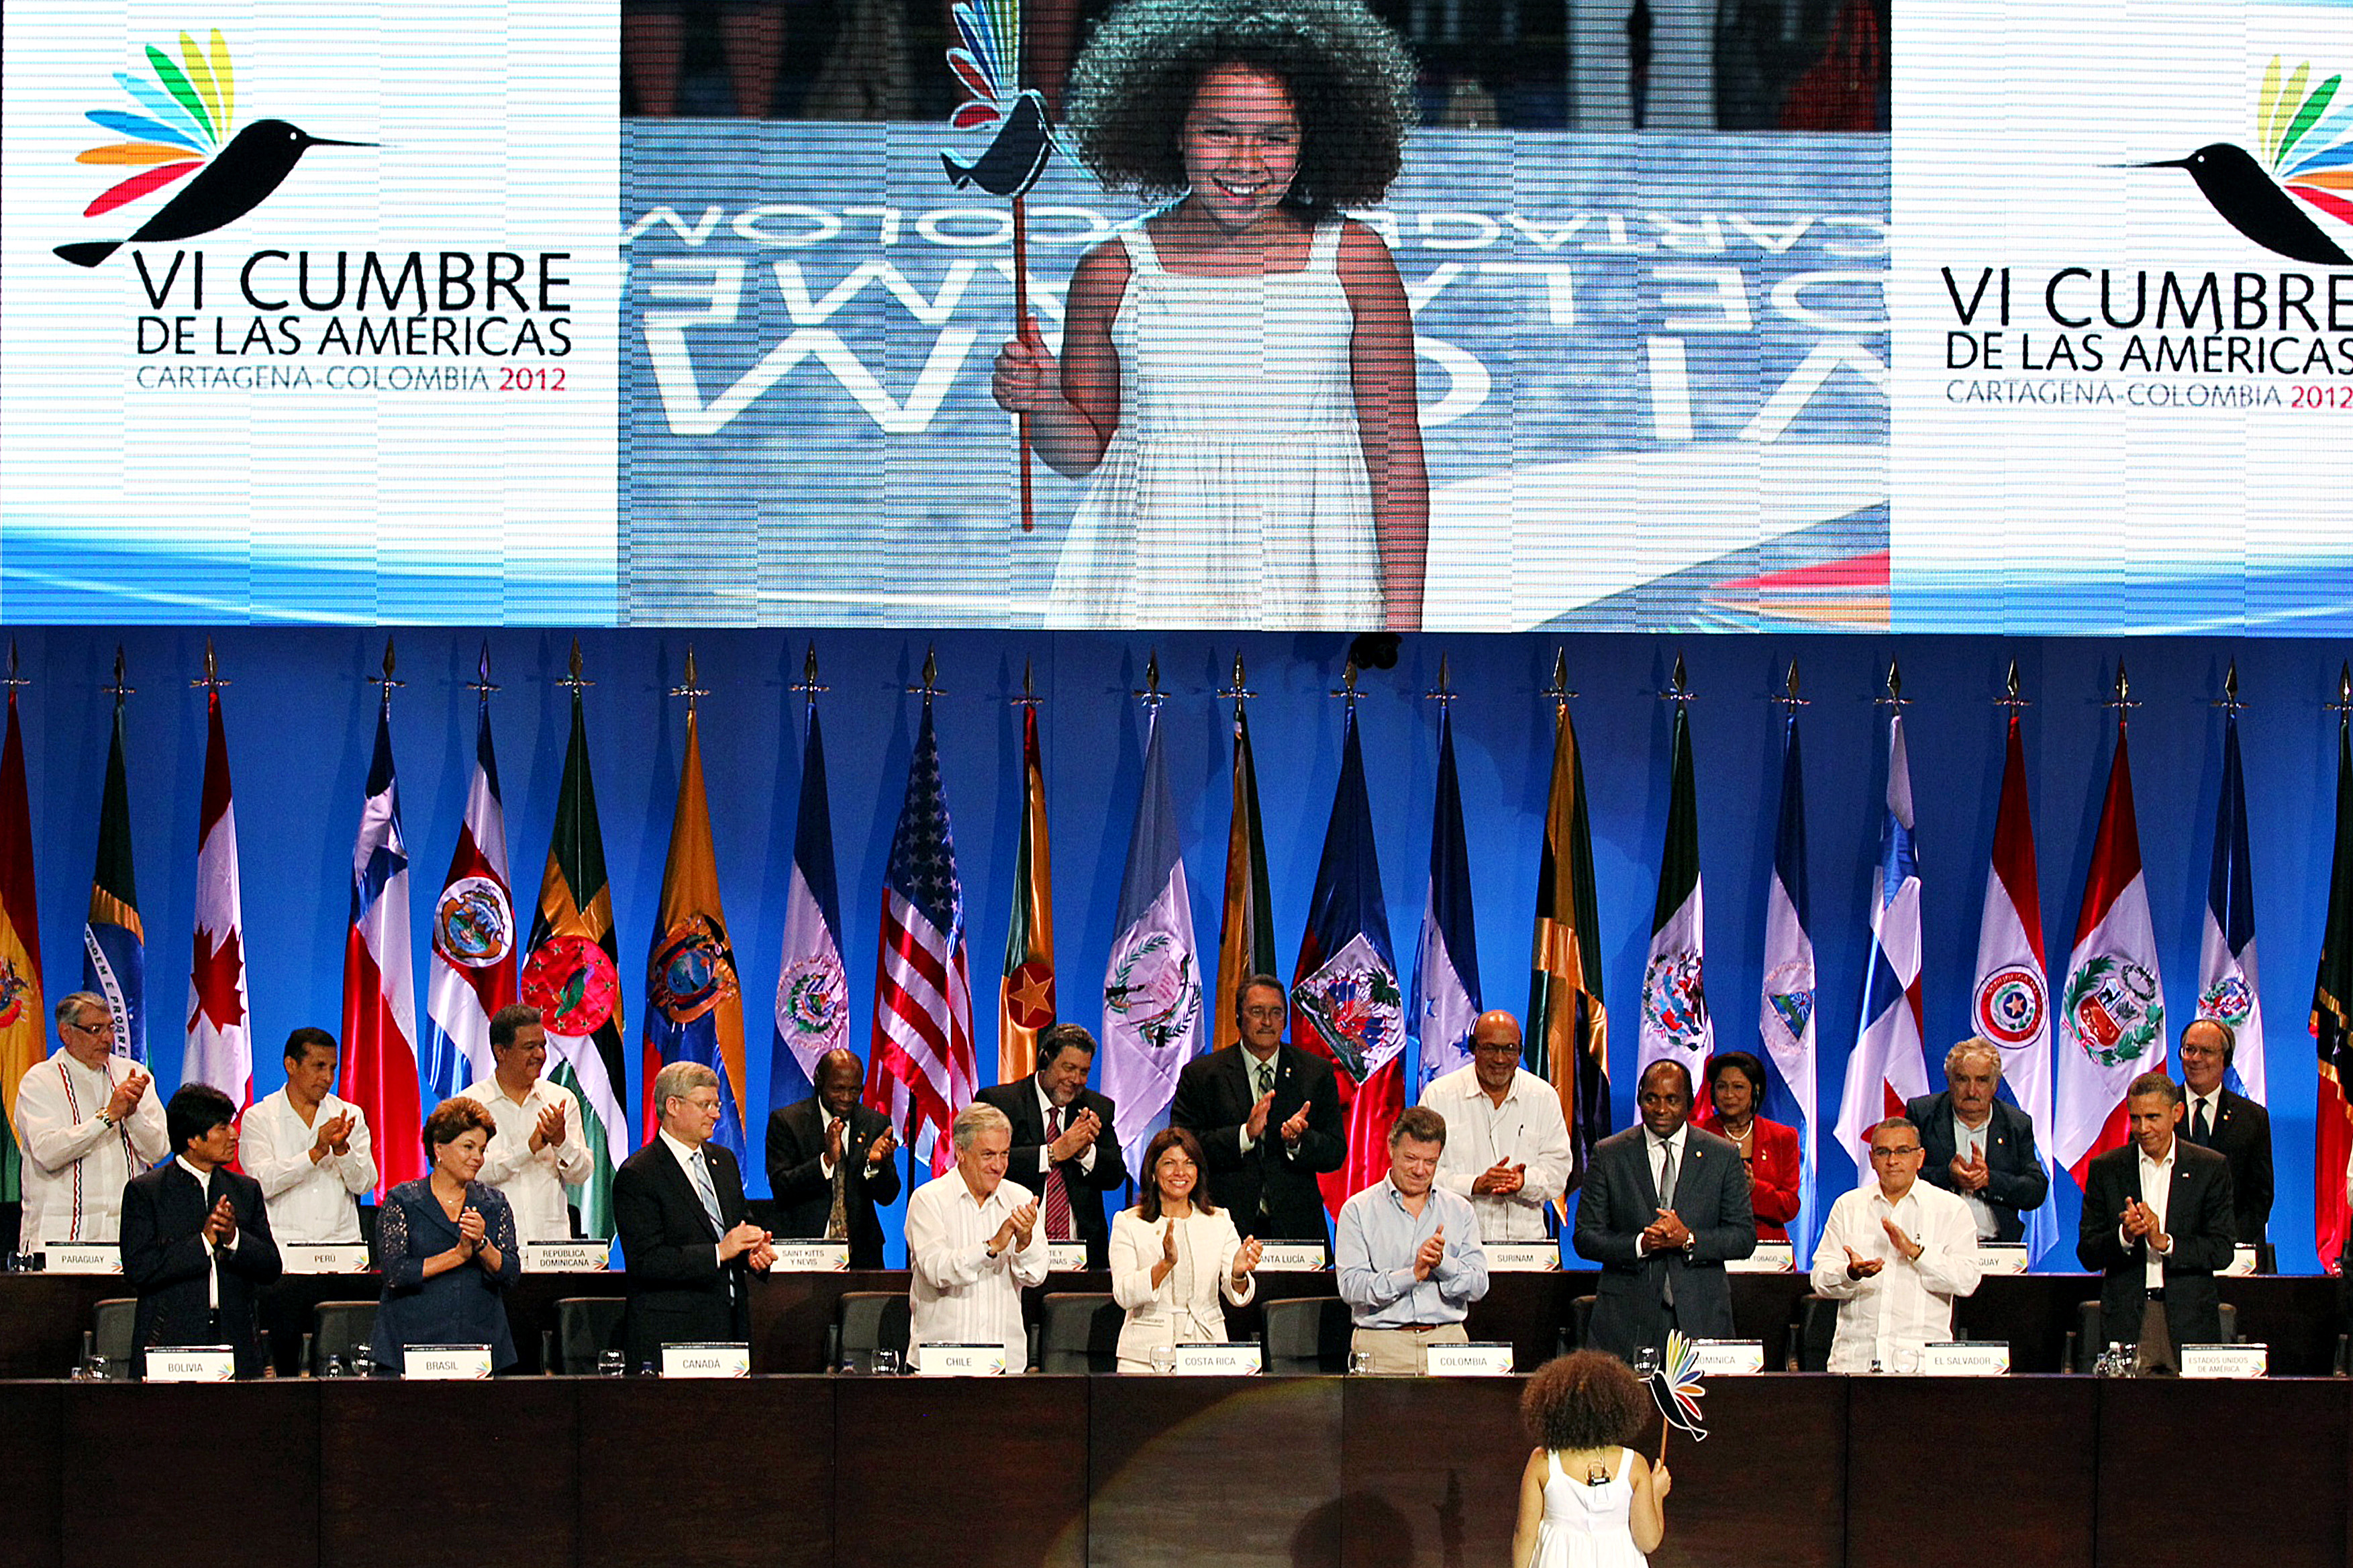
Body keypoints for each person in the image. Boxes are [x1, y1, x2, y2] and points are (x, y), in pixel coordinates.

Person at [991, 0, 1429, 631]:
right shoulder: (1111, 272)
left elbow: (1395, 457)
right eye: (1219, 131)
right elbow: (1084, 452)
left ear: (1312, 141)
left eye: (1275, 136)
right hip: (1148, 581)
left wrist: (1404, 620)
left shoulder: (1355, 264)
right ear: (1173, 128)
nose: (1245, 162)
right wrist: (1040, 401)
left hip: (1316, 586)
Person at [1572, 1060, 1756, 1365]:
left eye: (1672, 1100)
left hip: (1701, 1314)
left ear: (1690, 1102)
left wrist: (1689, 1239)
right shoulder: (1610, 1154)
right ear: (1639, 1099)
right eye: (1651, 1099)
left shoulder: (1721, 1156)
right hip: (1626, 1318)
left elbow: (1743, 1238)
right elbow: (1586, 1237)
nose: (1660, 1109)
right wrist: (1640, 1245)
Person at [616, 1061, 775, 1371]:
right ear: (673, 1106)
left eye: (717, 1104)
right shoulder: (639, 1174)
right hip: (673, 1337)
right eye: (706, 1105)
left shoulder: (724, 1162)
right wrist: (719, 1252)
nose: (716, 1113)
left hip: (731, 1329)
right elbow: (646, 1261)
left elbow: (737, 1227)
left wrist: (753, 1253)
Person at [119, 1084, 282, 1379]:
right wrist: (203, 1242)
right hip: (170, 1342)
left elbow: (271, 1267)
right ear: (193, 1139)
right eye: (223, 1128)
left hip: (237, 1342)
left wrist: (234, 1239)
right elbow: (139, 1269)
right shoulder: (146, 1192)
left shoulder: (245, 1190)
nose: (234, 1135)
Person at [1168, 975, 1346, 1243]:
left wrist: (1298, 1142)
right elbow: (1183, 1146)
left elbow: (1335, 1152)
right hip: (1224, 1228)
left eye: (1276, 1013)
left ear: (1285, 1020)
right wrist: (1244, 1135)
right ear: (1239, 1017)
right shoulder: (1203, 1075)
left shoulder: (1315, 1073)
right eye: (1257, 1012)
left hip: (1297, 1230)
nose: (1267, 1022)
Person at [2077, 1072, 2236, 1371]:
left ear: (2176, 1113)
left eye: (2152, 1117)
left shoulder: (2209, 1168)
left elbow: (2222, 1249)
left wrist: (2167, 1243)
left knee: (2192, 1416)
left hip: (2190, 1320)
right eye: (2135, 1118)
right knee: (2127, 1415)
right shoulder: (2107, 1169)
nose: (2143, 1128)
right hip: (2127, 1321)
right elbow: (2087, 1251)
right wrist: (2124, 1236)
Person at [1807, 1116, 1983, 1373]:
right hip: (1855, 1365)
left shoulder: (1951, 1209)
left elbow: (1967, 1281)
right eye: (1883, 1152)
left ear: (1920, 1157)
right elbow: (1819, 1279)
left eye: (1902, 1151)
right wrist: (1851, 1273)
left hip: (1923, 1369)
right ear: (1871, 1158)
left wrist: (1916, 1253)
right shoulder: (1848, 1206)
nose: (1892, 1161)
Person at [370, 1096, 521, 1374]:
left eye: (482, 1149)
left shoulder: (494, 1203)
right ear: (439, 1148)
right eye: (469, 1146)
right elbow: (395, 1272)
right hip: (411, 1346)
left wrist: (482, 1245)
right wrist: (457, 1255)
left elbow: (511, 1273)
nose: (478, 1158)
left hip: (480, 1347)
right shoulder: (402, 1200)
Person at [1335, 1106, 1489, 1373]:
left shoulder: (1460, 1210)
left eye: (1430, 1162)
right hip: (1383, 1345)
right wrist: (1412, 1275)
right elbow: (1352, 1288)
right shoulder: (1357, 1210)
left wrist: (1443, 1264)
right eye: (1411, 1158)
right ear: (1391, 1148)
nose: (1420, 1170)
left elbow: (1479, 1286)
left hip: (1447, 1342)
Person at [12, 991, 166, 1245]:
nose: (107, 1039)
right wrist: (107, 1117)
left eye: (110, 1028)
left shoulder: (133, 1074)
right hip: (59, 1240)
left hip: (126, 1239)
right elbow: (47, 1153)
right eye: (95, 1030)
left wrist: (132, 1114)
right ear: (66, 1033)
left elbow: (159, 1151)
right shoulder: (39, 1081)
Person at [904, 1102, 1049, 1370]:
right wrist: (992, 1246)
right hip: (941, 1363)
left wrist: (1025, 1241)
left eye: (1004, 1154)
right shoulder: (928, 1200)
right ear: (960, 1151)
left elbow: (1036, 1275)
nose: (999, 1165)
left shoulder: (1020, 1199)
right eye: (988, 1155)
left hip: (1004, 1364)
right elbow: (937, 1270)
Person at [976, 1022, 1130, 1267]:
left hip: (1082, 1256)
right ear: (1046, 1059)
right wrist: (1053, 1153)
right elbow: (984, 1166)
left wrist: (1085, 1152)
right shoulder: (1001, 1103)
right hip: (1015, 1248)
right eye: (1068, 1068)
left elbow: (1115, 1176)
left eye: (1084, 1071)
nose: (1076, 1080)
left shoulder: (1096, 1108)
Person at [1109, 1127, 1263, 1369]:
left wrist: (1238, 1274)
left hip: (1207, 1350)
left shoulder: (1219, 1220)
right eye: (1169, 1163)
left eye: (1189, 1163)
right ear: (1152, 1172)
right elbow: (1123, 1294)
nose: (1180, 1172)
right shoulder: (1129, 1223)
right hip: (1143, 1357)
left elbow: (1239, 1297)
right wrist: (1164, 1265)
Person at [1422, 1011, 1574, 1244]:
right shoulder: (1440, 1095)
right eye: (1491, 1048)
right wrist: (1474, 1184)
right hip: (1456, 1246)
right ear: (1474, 1049)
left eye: (1510, 1049)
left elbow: (1559, 1172)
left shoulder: (1543, 1097)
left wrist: (1524, 1182)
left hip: (1526, 1251)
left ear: (1520, 1052)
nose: (1500, 1059)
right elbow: (1421, 1172)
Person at [1510, 1351, 1670, 1568]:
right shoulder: (1634, 1465)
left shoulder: (1543, 1461)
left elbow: (1524, 1534)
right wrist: (1657, 1493)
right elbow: (1649, 1540)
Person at [459, 1002, 593, 1243]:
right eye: (529, 1047)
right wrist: (528, 1149)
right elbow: (469, 1174)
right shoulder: (470, 1104)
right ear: (501, 1051)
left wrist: (561, 1141)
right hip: (492, 1248)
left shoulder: (560, 1100)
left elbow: (581, 1174)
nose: (540, 1055)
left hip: (552, 1250)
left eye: (542, 1046)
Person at [764, 1046, 901, 1267]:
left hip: (862, 1254)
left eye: (855, 1090)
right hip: (805, 1253)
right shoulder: (788, 1121)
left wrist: (875, 1165)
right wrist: (826, 1161)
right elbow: (781, 1188)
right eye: (838, 1089)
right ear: (819, 1082)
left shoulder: (875, 1123)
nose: (846, 1098)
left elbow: (888, 1196)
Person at [238, 1027, 377, 1245]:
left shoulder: (349, 1115)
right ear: (291, 1065)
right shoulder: (259, 1117)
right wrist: (315, 1154)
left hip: (343, 1247)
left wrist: (341, 1151)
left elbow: (365, 1185)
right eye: (319, 1067)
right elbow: (261, 1183)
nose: (328, 1078)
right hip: (282, 1249)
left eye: (333, 1068)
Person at [1905, 1037, 2049, 1244]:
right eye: (1963, 1079)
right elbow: (1901, 1176)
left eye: (1981, 1080)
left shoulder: (2016, 1124)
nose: (1972, 1091)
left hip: (1995, 1246)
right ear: (1949, 1080)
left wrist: (1989, 1180)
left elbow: (2035, 1189)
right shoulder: (1923, 1115)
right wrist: (1948, 1176)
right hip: (1932, 1245)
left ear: (1995, 1084)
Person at [2176, 1018, 2272, 1247]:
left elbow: (2260, 1195)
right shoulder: (2159, 1111)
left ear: (2225, 1060)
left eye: (2207, 1051)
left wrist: (2228, 1243)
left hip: (2232, 1250)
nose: (2196, 1059)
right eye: (2190, 1050)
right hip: (2170, 1251)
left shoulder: (2252, 1118)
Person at [1691, 1051, 1801, 1244]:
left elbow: (1790, 1207)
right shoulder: (1696, 1135)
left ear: (1755, 1091)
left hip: (1767, 1250)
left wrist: (1753, 1188)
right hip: (1711, 1244)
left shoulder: (1782, 1137)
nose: (1729, 1095)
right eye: (1722, 1087)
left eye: (1738, 1087)